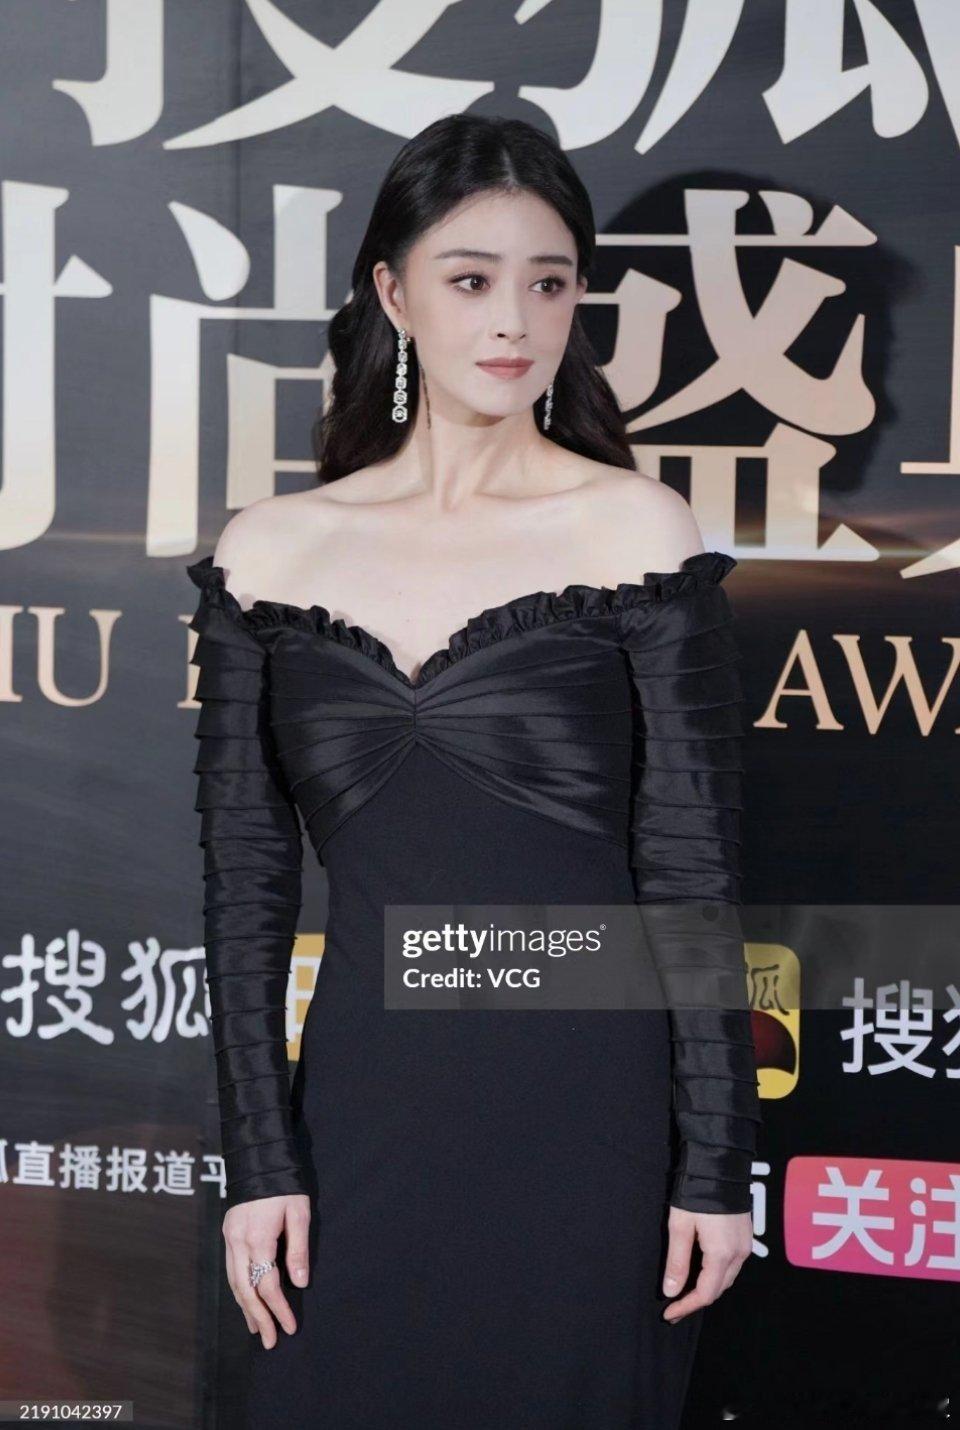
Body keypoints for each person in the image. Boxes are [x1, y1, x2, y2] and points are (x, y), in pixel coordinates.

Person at [186, 113, 761, 1429]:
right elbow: (245, 888)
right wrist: (260, 1158)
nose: (514, 319)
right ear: (394, 293)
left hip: (589, 1101)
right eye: (471, 278)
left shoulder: (633, 528)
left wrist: (715, 1162)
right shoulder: (271, 550)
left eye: (549, 282)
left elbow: (692, 867)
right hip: (366, 1100)